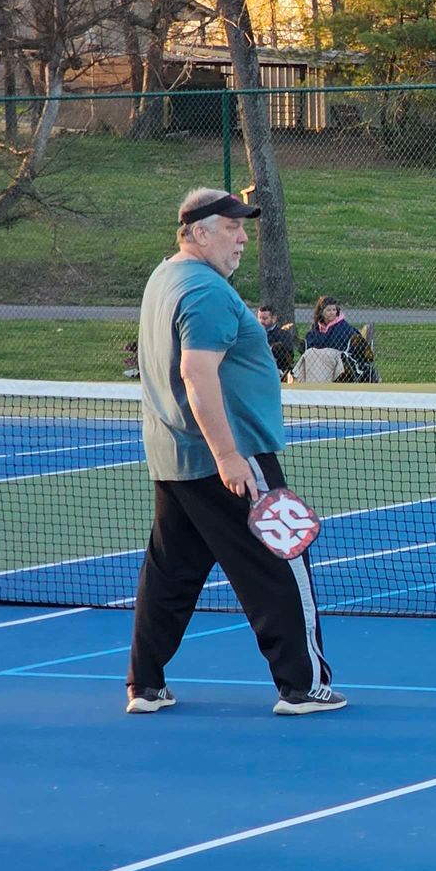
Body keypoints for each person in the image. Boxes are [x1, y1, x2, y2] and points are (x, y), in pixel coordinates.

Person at [125, 189, 346, 716]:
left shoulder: (164, 278)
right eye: (232, 228)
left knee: (171, 572)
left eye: (243, 228)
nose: (243, 238)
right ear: (200, 233)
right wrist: (228, 456)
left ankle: (145, 683)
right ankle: (303, 685)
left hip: (176, 458)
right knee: (281, 562)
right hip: (231, 456)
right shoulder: (204, 290)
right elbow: (196, 373)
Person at [301, 295, 376, 383]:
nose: (332, 313)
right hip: (319, 360)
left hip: (339, 360)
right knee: (308, 354)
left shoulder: (341, 326)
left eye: (334, 310)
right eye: (328, 310)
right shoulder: (316, 327)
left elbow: (339, 346)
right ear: (321, 312)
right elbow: (310, 342)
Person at [257, 304, 297, 377]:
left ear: (274, 318)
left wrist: (273, 349)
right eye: (259, 318)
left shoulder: (283, 335)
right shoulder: (254, 334)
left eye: (265, 318)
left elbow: (289, 355)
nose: (261, 321)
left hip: (276, 369)